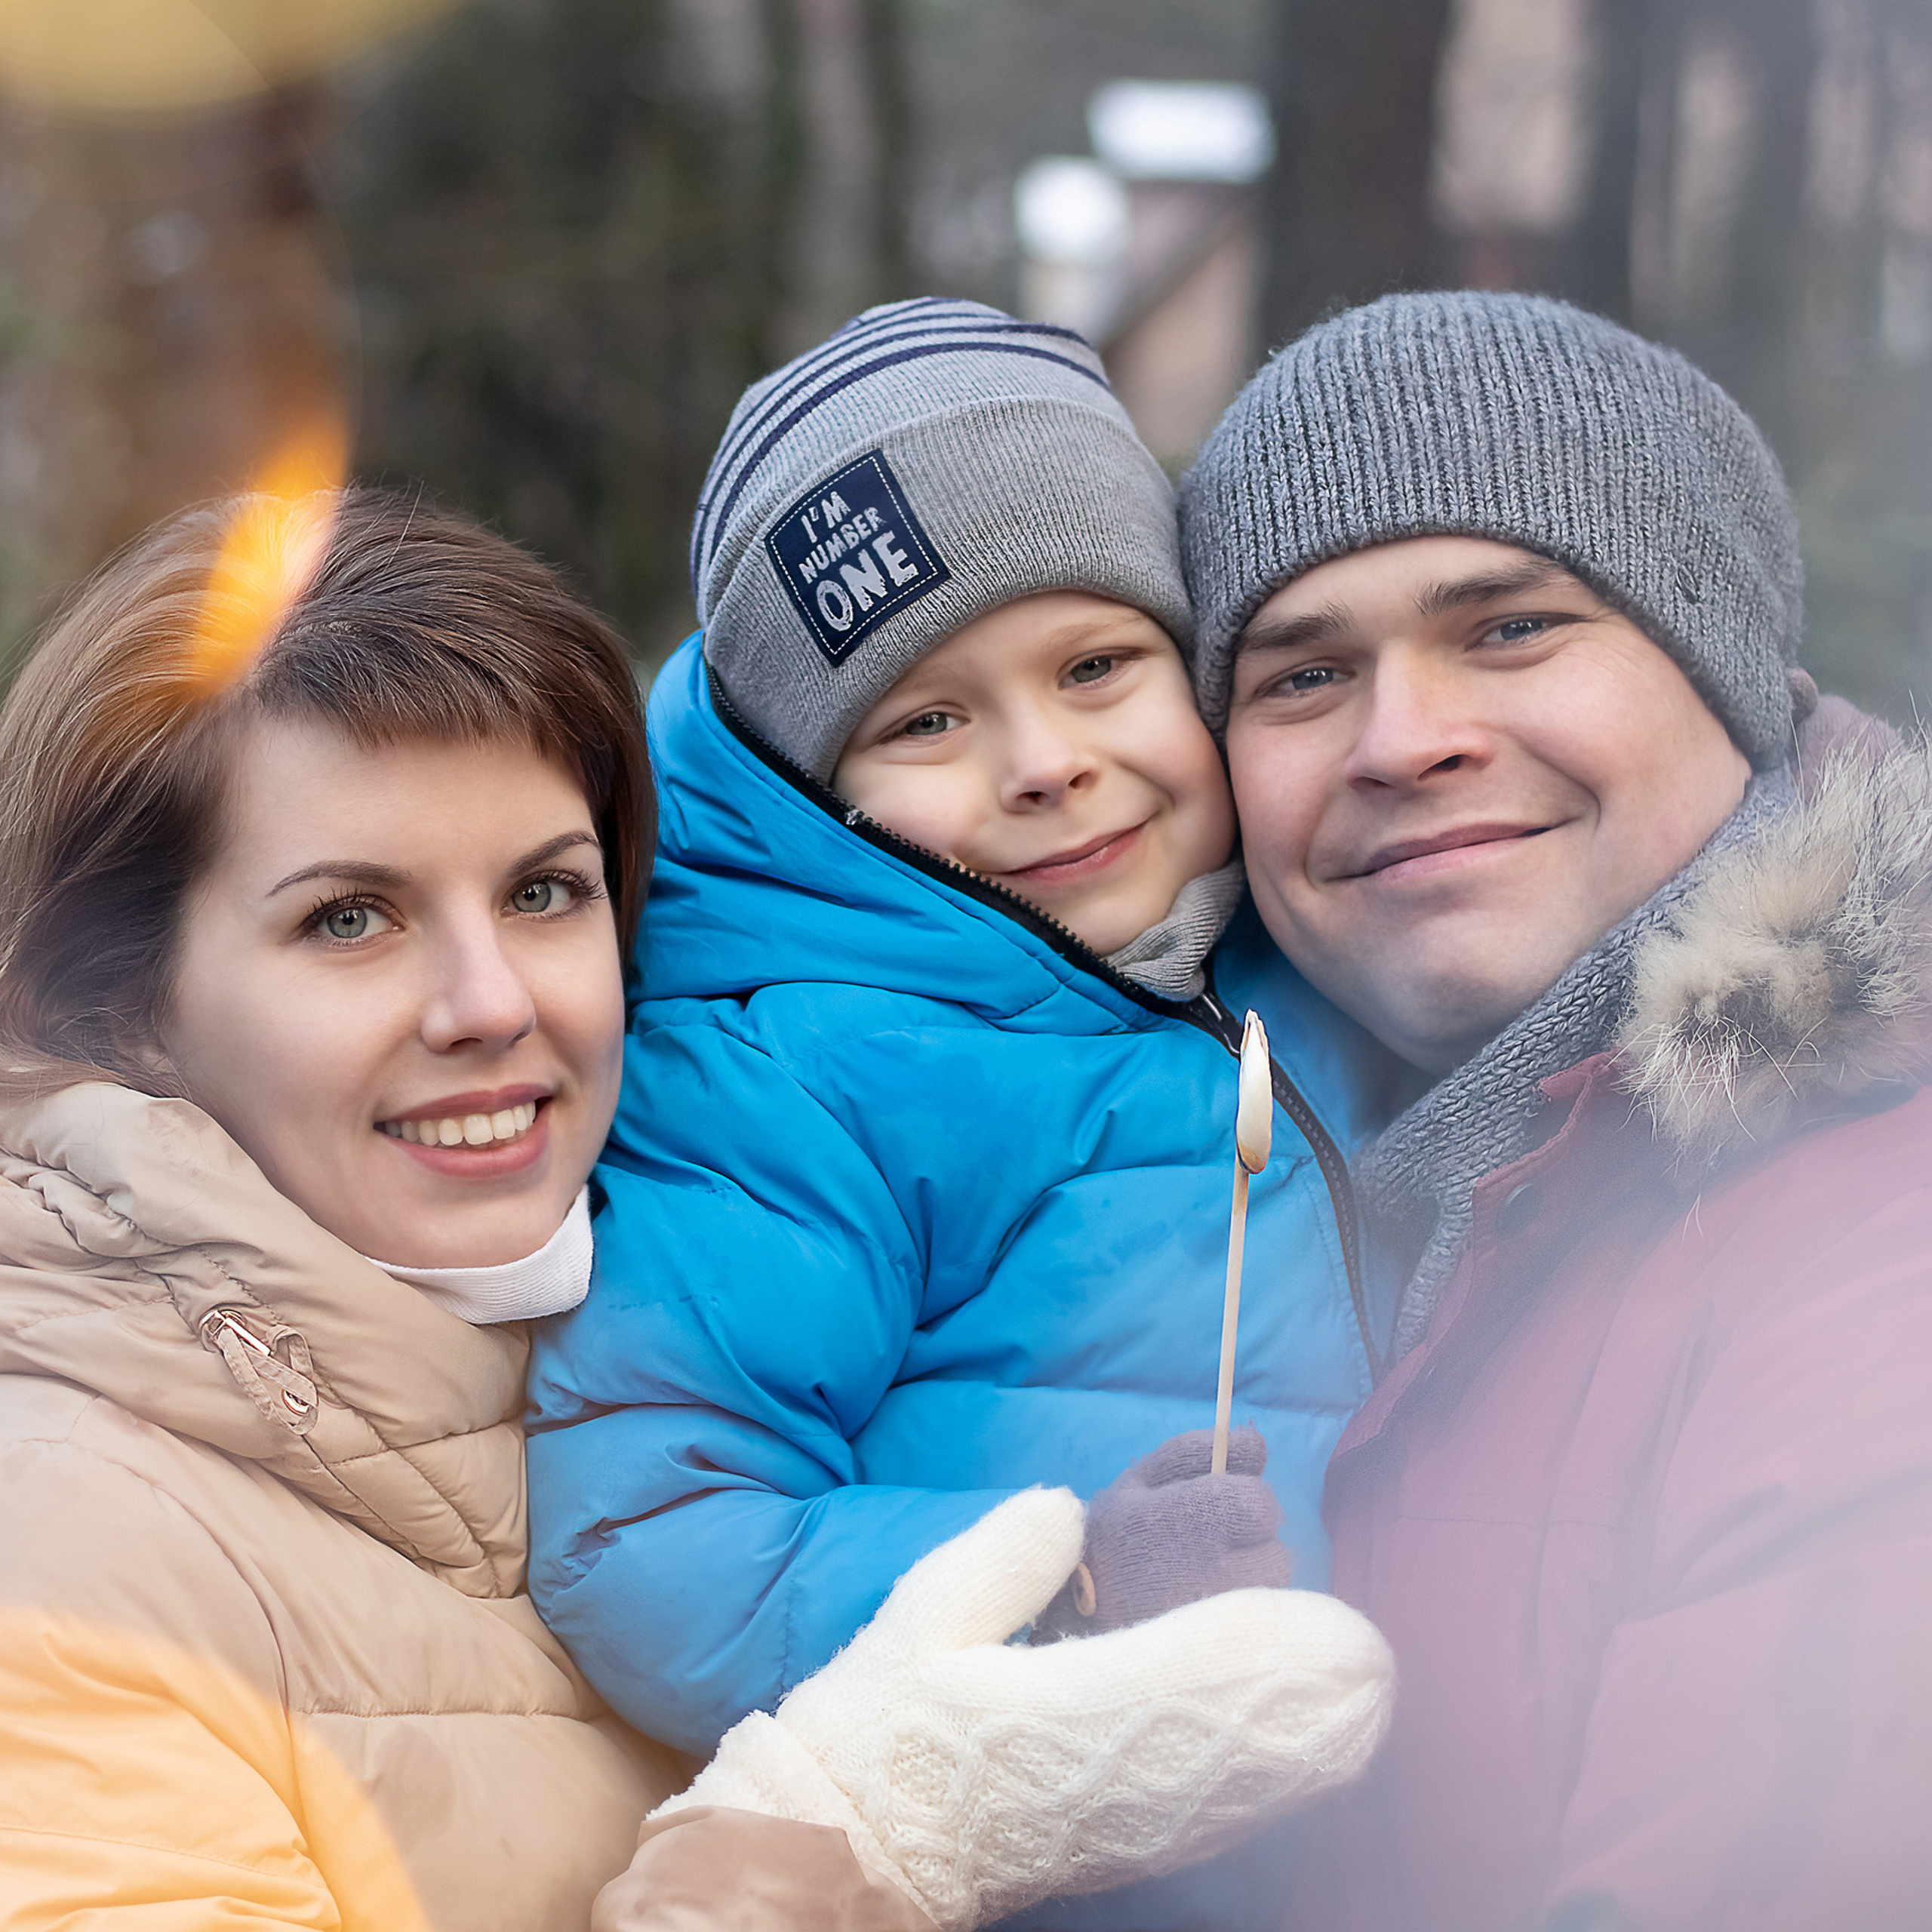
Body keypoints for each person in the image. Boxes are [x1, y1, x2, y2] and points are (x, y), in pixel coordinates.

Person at [0, 484, 1395, 1932]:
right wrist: (862, 1825)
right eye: (348, 919)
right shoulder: (65, 1552)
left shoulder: (592, 1359)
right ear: (120, 1003)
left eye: (545, 893)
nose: (493, 1004)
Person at [527, 299, 1395, 1928]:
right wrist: (1075, 1583)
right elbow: (646, 1529)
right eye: (925, 720)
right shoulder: (791, 1072)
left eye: (1096, 666)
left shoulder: (1308, 945)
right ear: (809, 790)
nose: (1043, 762)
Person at [1180, 289, 1932, 1932]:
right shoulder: (1218, 1195)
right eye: (1304, 674)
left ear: (1723, 670)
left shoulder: (1877, 1254)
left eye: (1510, 627)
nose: (1401, 740)